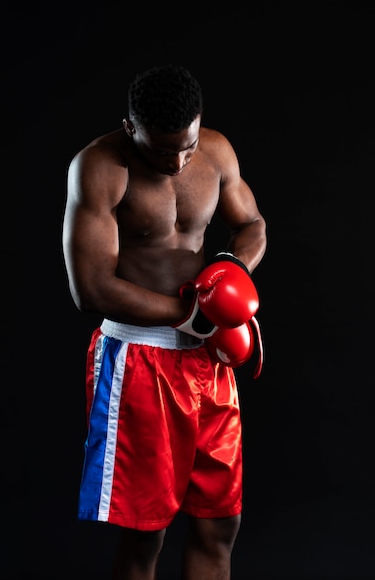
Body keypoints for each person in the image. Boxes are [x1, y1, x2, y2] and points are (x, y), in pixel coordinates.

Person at [62, 65, 267, 580]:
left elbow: (252, 223)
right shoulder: (99, 168)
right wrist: (194, 314)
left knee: (220, 523)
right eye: (162, 150)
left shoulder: (217, 151)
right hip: (138, 360)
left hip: (208, 359)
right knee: (145, 535)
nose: (178, 162)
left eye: (188, 146)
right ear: (131, 129)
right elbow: (90, 287)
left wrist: (232, 272)